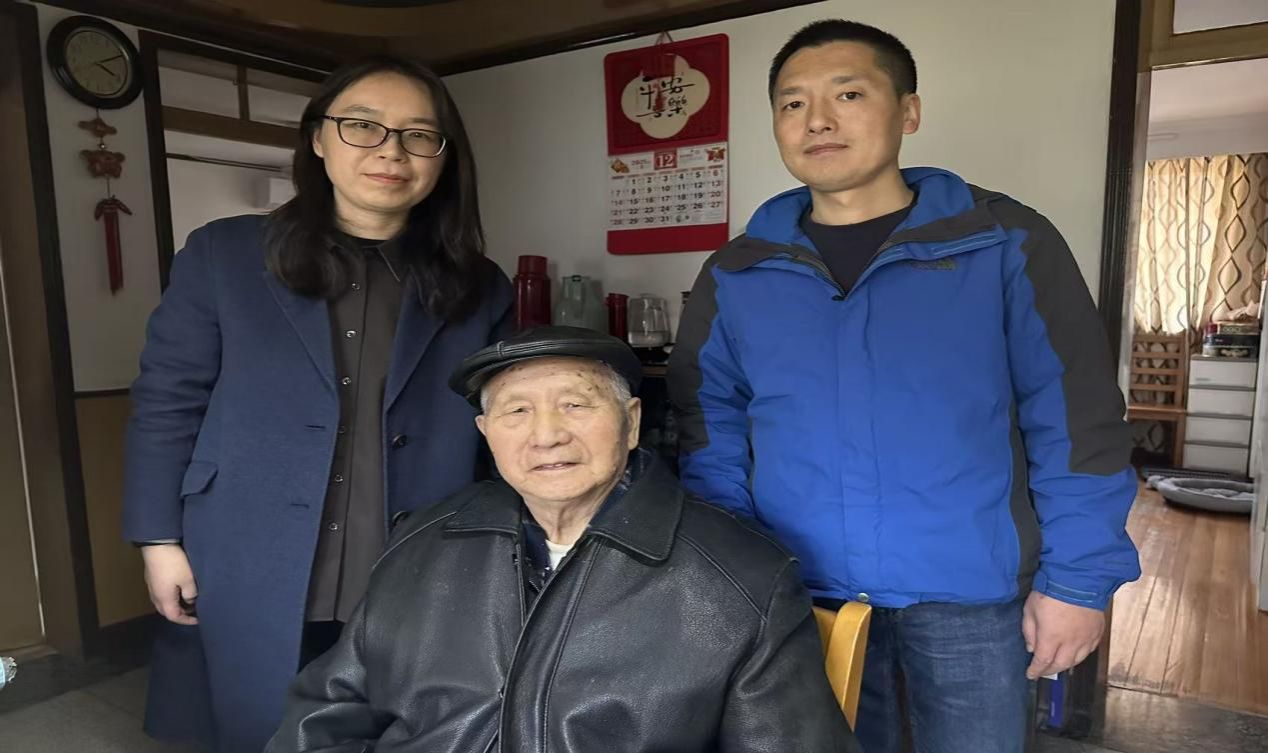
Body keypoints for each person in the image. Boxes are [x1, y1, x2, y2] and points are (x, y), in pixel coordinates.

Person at [667, 20, 1140, 753]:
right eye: (792, 103)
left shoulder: (1004, 242)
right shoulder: (738, 271)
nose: (817, 120)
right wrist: (733, 568)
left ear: (908, 111)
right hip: (799, 592)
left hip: (969, 599)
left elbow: (1077, 420)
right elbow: (709, 428)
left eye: (848, 94)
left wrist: (1077, 581)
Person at [122, 56, 513, 752]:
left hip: (412, 553)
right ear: (318, 138)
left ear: (445, 157)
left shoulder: (478, 285)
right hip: (247, 546)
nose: (391, 151)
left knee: (394, 723)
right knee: (254, 721)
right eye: (363, 126)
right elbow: (167, 401)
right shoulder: (224, 254)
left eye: (419, 134)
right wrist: (158, 539)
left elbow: (500, 424)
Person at [265, 326, 860, 753]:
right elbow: (324, 716)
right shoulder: (423, 540)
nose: (546, 435)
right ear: (486, 433)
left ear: (631, 422)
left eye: (575, 404)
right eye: (516, 411)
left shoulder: (742, 576)